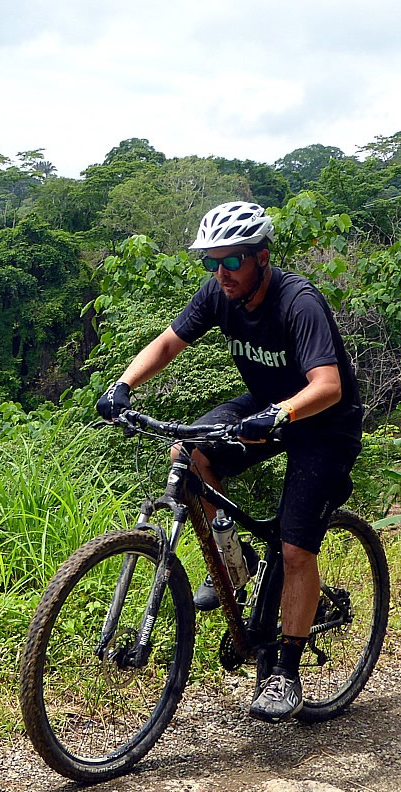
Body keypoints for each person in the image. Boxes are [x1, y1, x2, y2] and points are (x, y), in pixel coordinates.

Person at [95, 201, 364, 723]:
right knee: (189, 454)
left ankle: (285, 673)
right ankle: (232, 561)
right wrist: (122, 385)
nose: (221, 274)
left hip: (324, 423)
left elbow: (327, 386)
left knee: (293, 547)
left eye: (232, 262)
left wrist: (280, 414)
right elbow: (169, 343)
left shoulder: (297, 303)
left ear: (261, 257)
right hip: (267, 408)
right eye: (212, 263)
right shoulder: (219, 294)